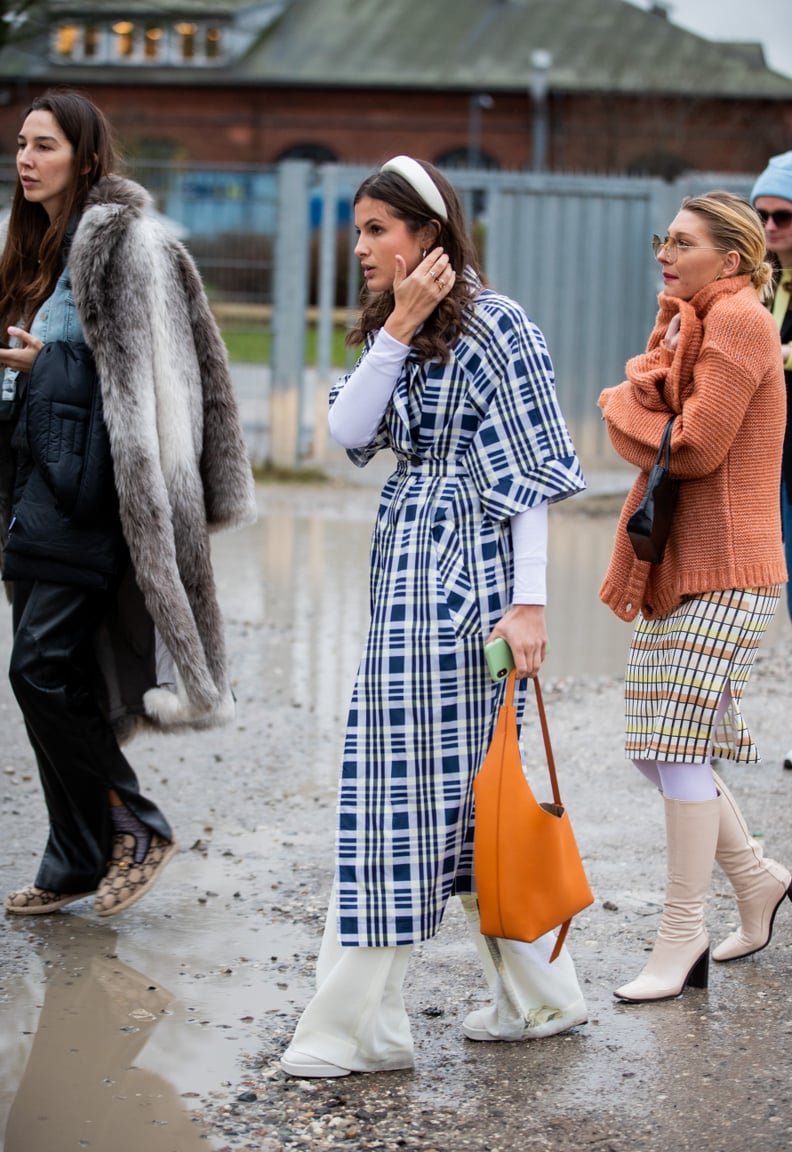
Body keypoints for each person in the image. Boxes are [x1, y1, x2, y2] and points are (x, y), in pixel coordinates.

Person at [280, 155, 588, 1079]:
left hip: (470, 584)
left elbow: (530, 480)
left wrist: (528, 605)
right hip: (404, 575)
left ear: (429, 233)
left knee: (415, 792)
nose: (363, 245)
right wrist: (399, 327)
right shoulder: (398, 326)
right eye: (362, 228)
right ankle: (541, 999)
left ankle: (351, 1028)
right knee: (449, 795)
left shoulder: (500, 326)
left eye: (379, 229)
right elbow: (345, 436)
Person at [0, 89, 256, 919]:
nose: (26, 159)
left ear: (85, 155)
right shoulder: (36, 245)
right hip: (40, 489)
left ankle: (134, 826)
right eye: (21, 145)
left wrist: (47, 369)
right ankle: (76, 856)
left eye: (44, 145)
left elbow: (152, 385)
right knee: (56, 670)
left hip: (107, 497)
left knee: (37, 666)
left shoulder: (128, 246)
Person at [599, 190, 792, 1003]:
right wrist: (646, 382)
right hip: (681, 564)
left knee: (677, 747)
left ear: (734, 260)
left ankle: (682, 935)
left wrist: (616, 405)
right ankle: (756, 879)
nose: (664, 253)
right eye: (663, 239)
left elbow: (700, 446)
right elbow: (662, 400)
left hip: (734, 567)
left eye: (681, 242)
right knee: (654, 744)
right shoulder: (687, 319)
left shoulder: (741, 320)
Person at [750, 151, 792, 769]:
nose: (770, 228)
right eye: (761, 215)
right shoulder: (763, 283)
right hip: (769, 463)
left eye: (783, 215)